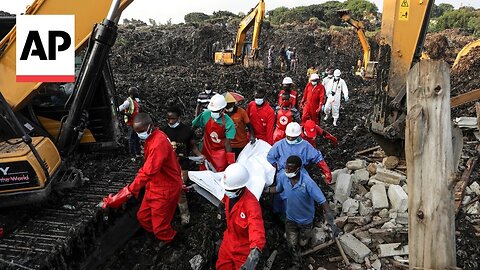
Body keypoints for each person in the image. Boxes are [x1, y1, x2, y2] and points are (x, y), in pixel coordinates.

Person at [102, 113, 183, 247]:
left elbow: (147, 172)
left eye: (140, 131)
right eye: (137, 132)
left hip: (165, 189)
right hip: (155, 185)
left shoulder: (158, 143)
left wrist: (128, 191)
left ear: (150, 126)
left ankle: (170, 240)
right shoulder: (153, 138)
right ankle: (156, 236)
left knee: (160, 227)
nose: (139, 135)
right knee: (143, 217)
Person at [264, 155, 340, 270]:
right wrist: (267, 190)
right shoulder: (284, 178)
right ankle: (296, 263)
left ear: (299, 168)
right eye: (286, 168)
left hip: (306, 220)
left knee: (303, 242)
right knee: (292, 244)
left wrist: (331, 221)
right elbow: (279, 189)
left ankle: (305, 243)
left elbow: (322, 201)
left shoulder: (308, 183)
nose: (287, 171)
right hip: (290, 219)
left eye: (291, 169)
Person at [267, 122, 332, 215]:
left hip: (300, 171)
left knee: (308, 189)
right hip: (283, 171)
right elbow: (270, 157)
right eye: (288, 136)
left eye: (292, 137)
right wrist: (276, 167)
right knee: (281, 192)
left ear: (298, 135)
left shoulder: (305, 145)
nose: (290, 139)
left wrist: (327, 172)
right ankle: (278, 213)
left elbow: (317, 158)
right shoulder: (279, 145)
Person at [216, 163, 266, 270]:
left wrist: (253, 256)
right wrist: (221, 204)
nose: (227, 192)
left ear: (240, 187)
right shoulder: (230, 193)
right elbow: (225, 198)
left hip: (243, 250)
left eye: (230, 190)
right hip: (228, 241)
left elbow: (257, 231)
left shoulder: (251, 205)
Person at [162, 105, 204, 225]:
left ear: (179, 118)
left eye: (173, 119)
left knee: (180, 189)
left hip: (182, 165)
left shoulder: (187, 131)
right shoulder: (163, 131)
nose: (170, 121)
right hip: (167, 166)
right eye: (168, 119)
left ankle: (185, 215)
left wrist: (200, 155)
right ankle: (169, 213)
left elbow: (193, 146)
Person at [192, 94, 236, 172]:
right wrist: (194, 145)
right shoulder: (205, 115)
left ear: (223, 109)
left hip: (220, 152)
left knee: (219, 171)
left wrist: (230, 160)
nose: (213, 113)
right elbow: (193, 127)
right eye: (212, 111)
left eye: (216, 111)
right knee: (204, 172)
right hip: (206, 148)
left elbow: (228, 143)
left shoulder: (229, 123)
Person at [224, 93, 256, 158]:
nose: (228, 107)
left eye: (229, 105)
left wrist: (252, 136)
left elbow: (249, 125)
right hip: (228, 144)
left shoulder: (241, 112)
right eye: (226, 105)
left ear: (233, 103)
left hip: (241, 143)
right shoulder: (223, 113)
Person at [118, 86, 141, 160]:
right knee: (131, 139)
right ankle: (132, 156)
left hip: (136, 123)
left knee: (137, 138)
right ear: (132, 93)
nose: (137, 93)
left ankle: (138, 154)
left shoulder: (136, 101)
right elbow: (118, 109)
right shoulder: (128, 102)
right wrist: (127, 115)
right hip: (131, 124)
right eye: (136, 92)